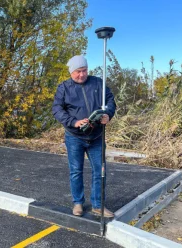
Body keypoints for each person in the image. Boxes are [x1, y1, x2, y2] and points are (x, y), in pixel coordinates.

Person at [52, 55, 116, 217]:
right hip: (75, 137)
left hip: (97, 136)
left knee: (99, 170)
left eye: (84, 70)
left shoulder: (97, 83)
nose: (81, 74)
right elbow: (57, 110)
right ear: (71, 72)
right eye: (78, 71)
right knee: (76, 171)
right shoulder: (64, 88)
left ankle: (97, 205)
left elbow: (110, 100)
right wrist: (73, 122)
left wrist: (108, 113)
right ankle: (78, 203)